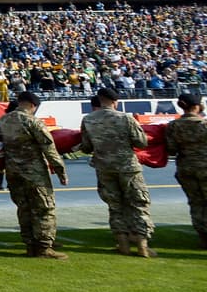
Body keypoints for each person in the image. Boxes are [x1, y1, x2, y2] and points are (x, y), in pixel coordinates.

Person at [80, 86, 155, 257]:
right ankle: (142, 245)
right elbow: (141, 142)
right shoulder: (125, 118)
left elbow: (86, 147)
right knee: (139, 204)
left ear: (99, 100)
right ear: (116, 101)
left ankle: (122, 244)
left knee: (115, 206)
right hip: (128, 166)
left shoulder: (88, 120)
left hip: (104, 167)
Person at [0, 91, 69, 259]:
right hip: (34, 172)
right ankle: (44, 247)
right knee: (44, 208)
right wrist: (60, 171)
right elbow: (49, 148)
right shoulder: (33, 122)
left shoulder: (3, 121)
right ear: (33, 105)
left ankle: (30, 245)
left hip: (13, 171)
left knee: (24, 208)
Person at [164, 92, 207, 248]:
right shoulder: (204, 124)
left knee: (196, 203)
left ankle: (203, 237)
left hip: (186, 168)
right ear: (197, 106)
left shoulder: (172, 126)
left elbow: (171, 149)